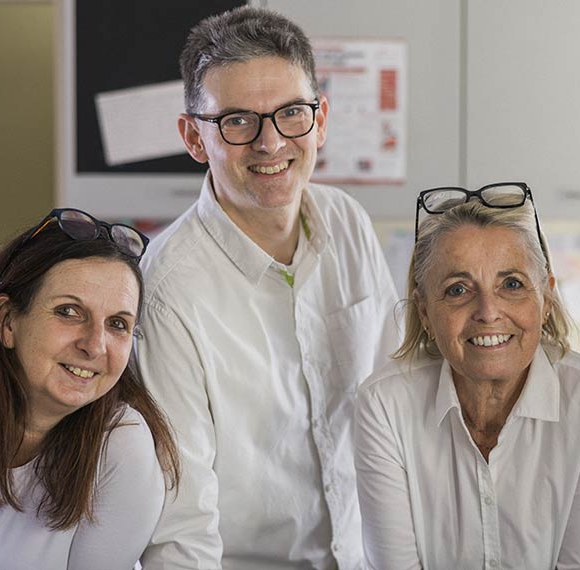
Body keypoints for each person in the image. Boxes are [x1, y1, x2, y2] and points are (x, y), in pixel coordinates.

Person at [136, 6, 400, 570]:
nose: (271, 142)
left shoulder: (348, 223)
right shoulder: (166, 292)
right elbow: (181, 526)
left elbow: (391, 405)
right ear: (194, 137)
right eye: (237, 121)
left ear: (320, 119)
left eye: (291, 113)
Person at [355, 183, 580, 569]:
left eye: (512, 284)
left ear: (546, 298)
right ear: (424, 312)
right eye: (457, 289)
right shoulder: (384, 405)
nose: (488, 312)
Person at [0, 208, 179, 570]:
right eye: (69, 312)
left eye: (118, 324)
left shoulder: (120, 445)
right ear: (8, 321)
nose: (95, 346)